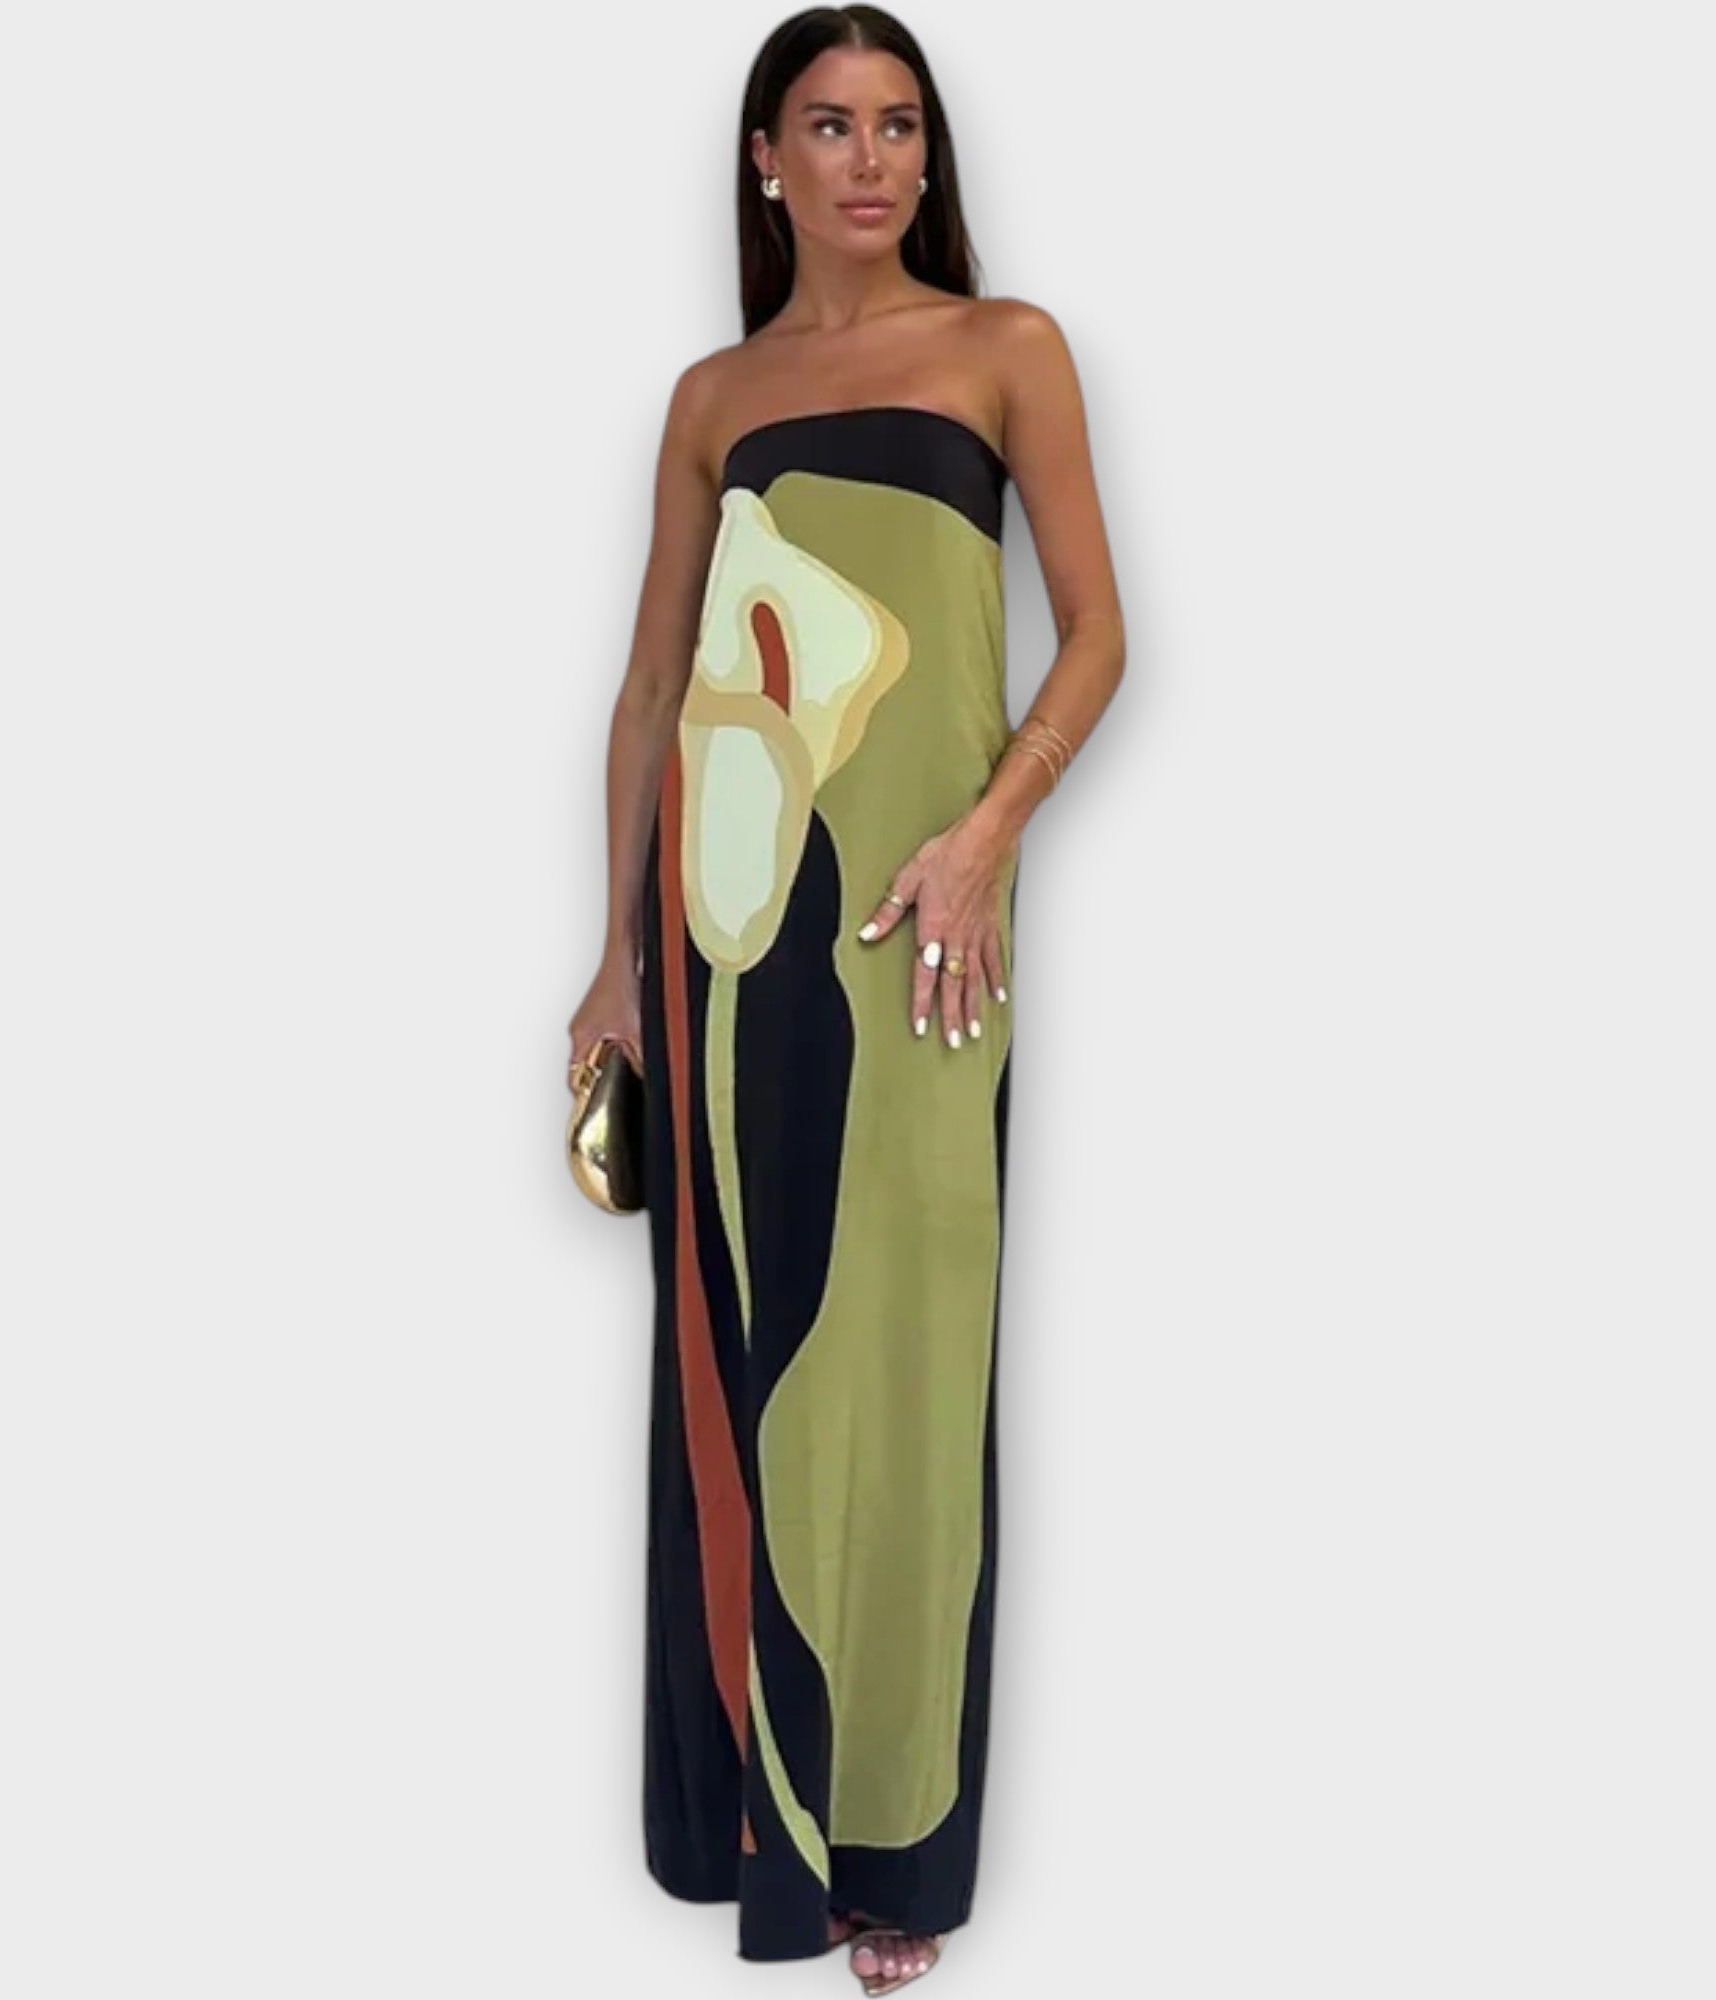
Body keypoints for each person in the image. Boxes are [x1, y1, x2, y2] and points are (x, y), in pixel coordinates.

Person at [566, 7, 1124, 1989]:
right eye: (829, 124)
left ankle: (889, 1838)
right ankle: (756, 1822)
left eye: (898, 125)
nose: (870, 158)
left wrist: (985, 839)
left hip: (922, 933)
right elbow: (657, 683)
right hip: (725, 933)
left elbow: (1099, 635)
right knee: (743, 1349)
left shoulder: (1006, 347)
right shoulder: (714, 395)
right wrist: (615, 960)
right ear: (766, 160)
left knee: (905, 1354)